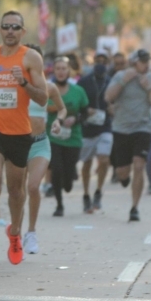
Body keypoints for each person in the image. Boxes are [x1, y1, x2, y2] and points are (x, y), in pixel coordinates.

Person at [0, 11, 47, 267]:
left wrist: (24, 84)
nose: (10, 31)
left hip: (20, 132)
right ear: (0, 29)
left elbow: (43, 98)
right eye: (5, 26)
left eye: (15, 27)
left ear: (22, 32)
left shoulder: (30, 58)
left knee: (16, 190)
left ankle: (15, 233)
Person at [23, 44, 65, 251]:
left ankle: (31, 232)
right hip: (17, 144)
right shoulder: (12, 87)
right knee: (17, 192)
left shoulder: (50, 87)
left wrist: (58, 121)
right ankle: (15, 230)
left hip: (40, 143)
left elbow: (62, 109)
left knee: (33, 187)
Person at [105, 49, 151, 221]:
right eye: (143, 61)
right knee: (123, 172)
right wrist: (123, 82)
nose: (147, 64)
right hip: (122, 129)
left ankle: (134, 207)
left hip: (143, 127)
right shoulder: (120, 76)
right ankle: (123, 178)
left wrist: (148, 88)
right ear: (134, 62)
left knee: (139, 165)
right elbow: (108, 97)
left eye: (148, 61)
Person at [47, 56, 88, 216]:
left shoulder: (78, 91)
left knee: (68, 179)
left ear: (69, 71)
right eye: (58, 69)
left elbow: (85, 112)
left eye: (64, 68)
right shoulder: (48, 89)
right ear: (54, 71)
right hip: (53, 136)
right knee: (56, 169)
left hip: (73, 138)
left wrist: (76, 119)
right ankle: (59, 204)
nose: (61, 72)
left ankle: (69, 179)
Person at [78, 51, 113, 214]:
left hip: (105, 126)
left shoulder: (111, 81)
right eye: (97, 61)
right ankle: (86, 194)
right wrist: (86, 111)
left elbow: (117, 100)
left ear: (107, 64)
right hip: (88, 127)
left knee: (104, 159)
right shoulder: (84, 81)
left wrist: (114, 108)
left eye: (103, 61)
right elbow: (77, 102)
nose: (100, 64)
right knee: (87, 162)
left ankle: (98, 190)